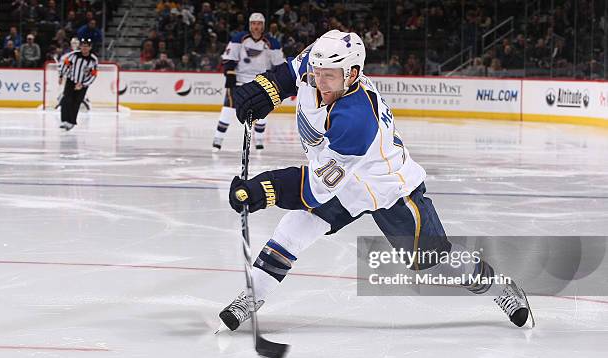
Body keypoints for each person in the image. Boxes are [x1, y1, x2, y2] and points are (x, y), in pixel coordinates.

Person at [217, 30, 534, 332]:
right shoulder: (320, 59)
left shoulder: (356, 120)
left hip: (386, 188)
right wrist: (262, 91)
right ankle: (253, 294)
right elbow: (288, 75)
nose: (319, 82)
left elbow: (315, 189)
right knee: (292, 230)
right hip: (342, 181)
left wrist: (263, 189)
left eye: (329, 76)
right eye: (317, 73)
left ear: (352, 74)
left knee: (433, 262)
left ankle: (500, 285)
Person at [211, 12, 285, 151]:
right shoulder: (239, 39)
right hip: (239, 80)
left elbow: (279, 65)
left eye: (259, 24)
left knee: (263, 110)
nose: (256, 27)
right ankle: (218, 139)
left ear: (263, 26)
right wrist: (230, 76)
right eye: (253, 24)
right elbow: (229, 59)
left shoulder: (272, 43)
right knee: (228, 109)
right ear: (250, 25)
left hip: (261, 82)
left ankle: (259, 142)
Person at [58, 38, 98, 130]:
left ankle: (71, 122)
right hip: (71, 80)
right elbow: (65, 64)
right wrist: (61, 75)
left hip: (83, 84)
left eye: (86, 46)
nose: (84, 48)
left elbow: (94, 74)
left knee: (76, 102)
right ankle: (64, 120)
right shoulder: (73, 55)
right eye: (83, 46)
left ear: (90, 48)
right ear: (80, 46)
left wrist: (83, 84)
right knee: (66, 100)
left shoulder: (93, 59)